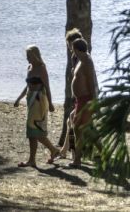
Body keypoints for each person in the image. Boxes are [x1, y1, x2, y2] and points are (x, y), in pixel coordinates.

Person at [14, 45, 60, 168]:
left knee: (36, 130)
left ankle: (52, 150)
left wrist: (50, 103)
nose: (27, 58)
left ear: (35, 56)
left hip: (40, 100)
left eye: (29, 56)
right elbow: (27, 86)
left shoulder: (41, 68)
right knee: (31, 131)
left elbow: (47, 87)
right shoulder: (29, 67)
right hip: (30, 100)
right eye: (26, 56)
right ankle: (33, 159)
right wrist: (18, 99)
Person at [51, 28, 83, 162]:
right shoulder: (76, 57)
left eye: (70, 44)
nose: (69, 47)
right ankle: (66, 151)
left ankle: (73, 155)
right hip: (80, 96)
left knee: (73, 122)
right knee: (71, 121)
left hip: (84, 96)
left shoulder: (80, 57)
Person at [70, 37, 99, 167]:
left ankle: (77, 160)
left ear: (77, 49)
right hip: (80, 100)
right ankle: (104, 154)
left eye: (73, 48)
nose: (72, 50)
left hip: (86, 100)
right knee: (86, 129)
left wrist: (93, 102)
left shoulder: (87, 60)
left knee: (78, 128)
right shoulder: (81, 60)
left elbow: (91, 82)